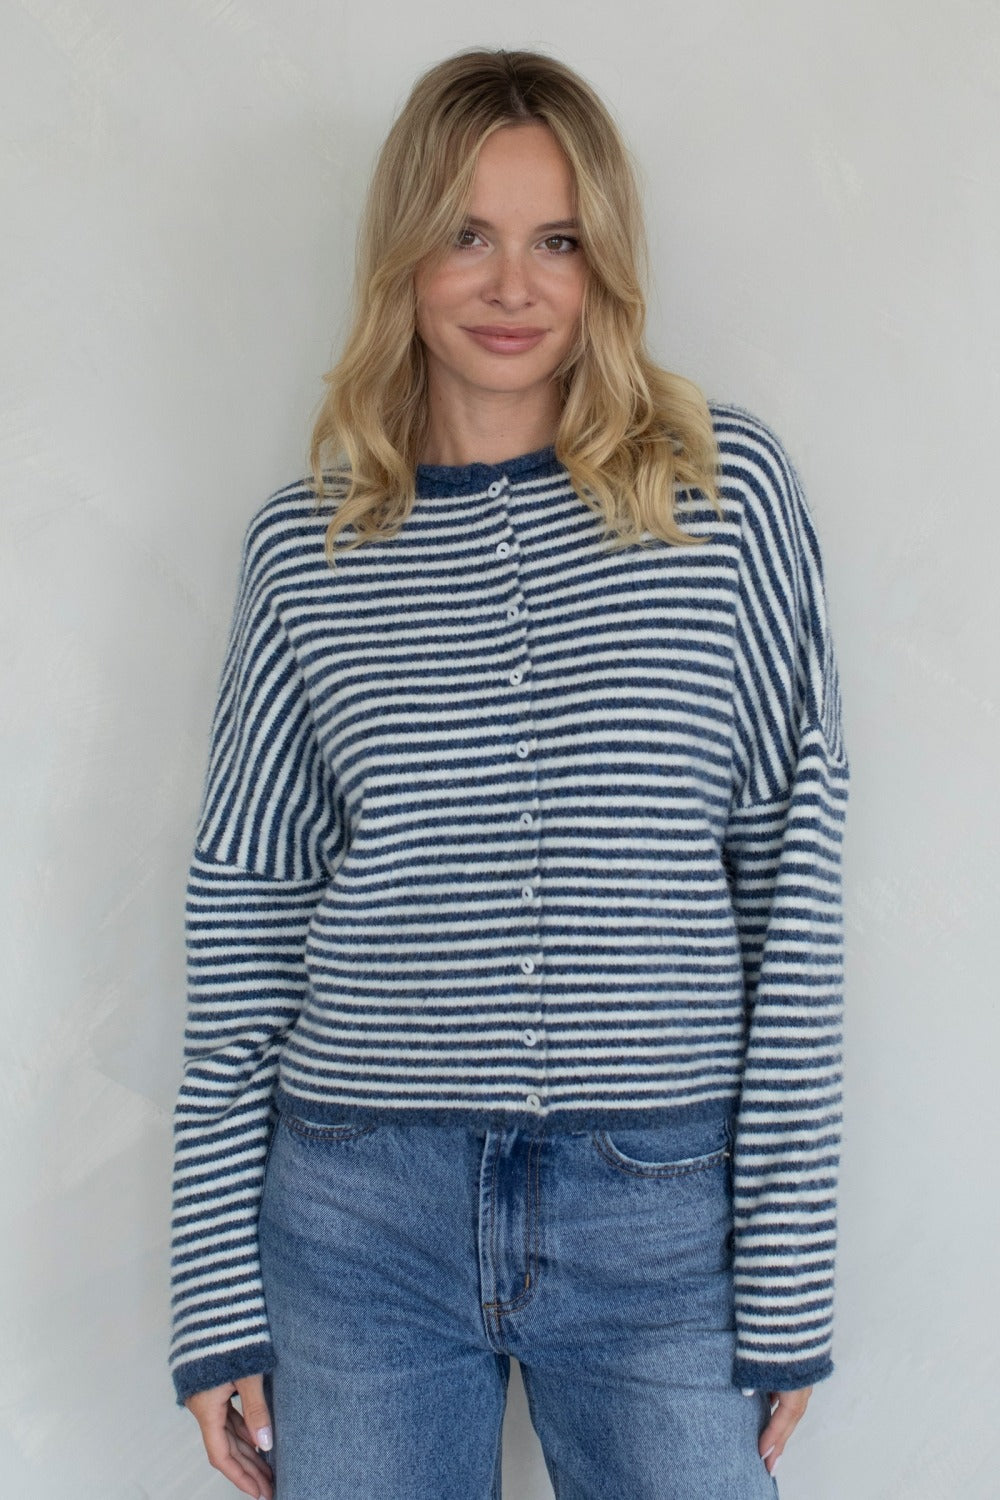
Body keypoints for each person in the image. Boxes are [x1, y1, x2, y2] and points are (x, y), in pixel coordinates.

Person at [168, 47, 849, 1500]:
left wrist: (785, 1266)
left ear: (606, 267)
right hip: (357, 1213)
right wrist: (212, 1285)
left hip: (658, 1215)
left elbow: (791, 876)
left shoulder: (722, 503)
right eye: (467, 235)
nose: (512, 285)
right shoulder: (309, 547)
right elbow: (246, 917)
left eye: (559, 242)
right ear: (404, 253)